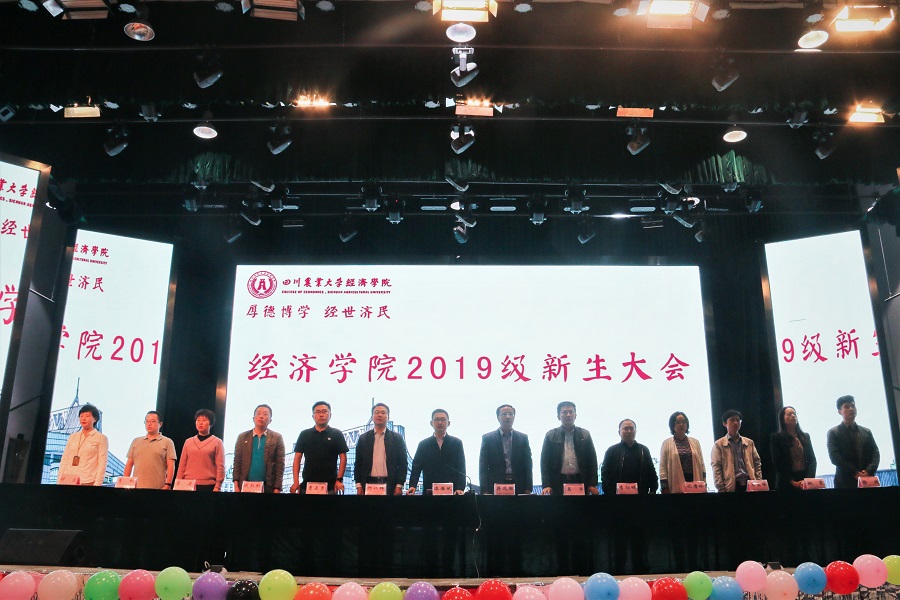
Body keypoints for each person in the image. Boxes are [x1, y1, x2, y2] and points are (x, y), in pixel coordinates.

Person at [540, 401, 599, 495]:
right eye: (564, 412)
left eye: (571, 412)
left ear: (575, 415)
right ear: (558, 416)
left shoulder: (585, 435)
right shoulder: (550, 435)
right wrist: (547, 485)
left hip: (580, 480)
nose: (568, 415)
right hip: (558, 481)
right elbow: (545, 462)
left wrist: (592, 484)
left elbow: (592, 461)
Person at [290, 401, 349, 494]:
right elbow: (297, 459)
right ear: (313, 416)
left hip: (330, 487)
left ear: (330, 415)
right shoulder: (304, 434)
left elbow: (343, 458)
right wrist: (296, 482)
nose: (321, 415)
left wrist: (339, 480)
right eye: (317, 412)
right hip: (307, 486)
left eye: (324, 411)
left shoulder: (337, 434)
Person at [407, 409, 466, 494]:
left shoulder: (457, 443)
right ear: (431, 423)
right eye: (437, 419)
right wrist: (413, 485)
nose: (440, 422)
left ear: (448, 423)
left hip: (452, 491)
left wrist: (460, 488)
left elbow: (461, 467)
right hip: (430, 490)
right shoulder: (423, 444)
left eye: (443, 419)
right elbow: (416, 467)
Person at [826, 395, 880, 489]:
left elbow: (875, 453)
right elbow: (834, 456)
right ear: (839, 412)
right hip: (845, 482)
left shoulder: (866, 432)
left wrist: (868, 471)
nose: (851, 409)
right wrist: (855, 472)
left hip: (867, 480)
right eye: (846, 407)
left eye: (853, 406)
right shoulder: (833, 433)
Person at [354, 403, 408, 495]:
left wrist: (399, 485)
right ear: (372, 417)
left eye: (383, 413)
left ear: (388, 417)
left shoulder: (397, 438)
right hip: (368, 484)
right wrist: (358, 485)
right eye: (377, 412)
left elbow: (403, 463)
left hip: (390, 485)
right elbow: (358, 463)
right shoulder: (363, 438)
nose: (380, 415)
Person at [478, 404, 533, 495]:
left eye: (510, 414)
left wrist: (528, 488)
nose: (508, 417)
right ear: (498, 417)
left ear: (514, 417)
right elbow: (483, 466)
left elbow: (528, 464)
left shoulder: (523, 438)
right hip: (495, 485)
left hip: (519, 485)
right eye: (504, 414)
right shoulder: (488, 438)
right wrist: (484, 490)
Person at [233, 404, 285, 493]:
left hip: (268, 487)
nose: (261, 416)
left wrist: (277, 488)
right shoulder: (242, 437)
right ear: (253, 418)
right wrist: (236, 485)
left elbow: (280, 465)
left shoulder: (277, 438)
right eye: (258, 413)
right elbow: (237, 461)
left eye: (265, 414)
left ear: (270, 420)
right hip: (245, 486)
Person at [600, 418, 658, 495]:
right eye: (625, 429)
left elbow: (651, 471)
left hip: (641, 495)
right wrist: (608, 492)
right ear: (619, 432)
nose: (629, 431)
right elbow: (605, 472)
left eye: (631, 428)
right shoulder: (611, 450)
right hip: (616, 496)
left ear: (636, 431)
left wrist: (653, 490)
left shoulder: (643, 450)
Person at [711, 409, 762, 492]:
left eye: (738, 420)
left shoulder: (749, 442)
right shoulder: (719, 444)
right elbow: (716, 467)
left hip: (750, 484)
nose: (735, 422)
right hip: (730, 486)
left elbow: (757, 463)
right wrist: (721, 488)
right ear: (724, 423)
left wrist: (758, 481)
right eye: (732, 420)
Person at [124, 410, 177, 490]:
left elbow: (171, 465)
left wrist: (168, 484)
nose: (149, 424)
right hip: (136, 488)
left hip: (158, 488)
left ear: (160, 424)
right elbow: (129, 464)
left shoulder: (167, 442)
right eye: (147, 421)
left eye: (153, 421)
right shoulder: (136, 441)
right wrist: (125, 482)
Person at [175, 408, 226, 492]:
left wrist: (218, 486)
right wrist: (178, 483)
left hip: (209, 485)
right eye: (198, 420)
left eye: (204, 420)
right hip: (188, 484)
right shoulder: (188, 441)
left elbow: (220, 466)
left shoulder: (217, 442)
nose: (200, 423)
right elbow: (182, 465)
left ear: (210, 423)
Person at [58, 404, 109, 486]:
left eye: (87, 416)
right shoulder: (72, 437)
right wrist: (59, 480)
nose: (83, 419)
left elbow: (102, 463)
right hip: (68, 480)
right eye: (81, 416)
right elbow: (65, 459)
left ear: (95, 419)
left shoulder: (101, 438)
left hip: (88, 481)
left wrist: (97, 485)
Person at [770, 406, 816, 491]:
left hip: (804, 480)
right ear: (783, 419)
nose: (793, 416)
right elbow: (777, 462)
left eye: (794, 413)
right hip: (786, 482)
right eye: (789, 414)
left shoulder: (805, 436)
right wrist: (792, 482)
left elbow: (812, 460)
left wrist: (808, 480)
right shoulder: (777, 438)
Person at [659, 411, 707, 494]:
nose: (681, 424)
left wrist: (704, 483)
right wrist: (664, 487)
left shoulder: (695, 442)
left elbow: (702, 464)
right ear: (672, 425)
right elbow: (663, 467)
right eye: (678, 422)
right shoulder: (666, 443)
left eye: (684, 422)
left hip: (695, 483)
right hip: (675, 484)